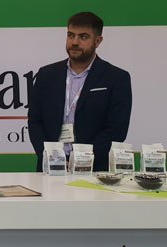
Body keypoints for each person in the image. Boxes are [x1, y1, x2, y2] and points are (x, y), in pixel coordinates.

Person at [28, 11, 132, 172]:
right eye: (71, 35)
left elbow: (116, 130)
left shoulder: (116, 78)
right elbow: (35, 120)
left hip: (94, 170)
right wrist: (49, 156)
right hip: (50, 168)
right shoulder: (47, 74)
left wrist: (82, 160)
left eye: (83, 37)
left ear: (98, 41)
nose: (75, 42)